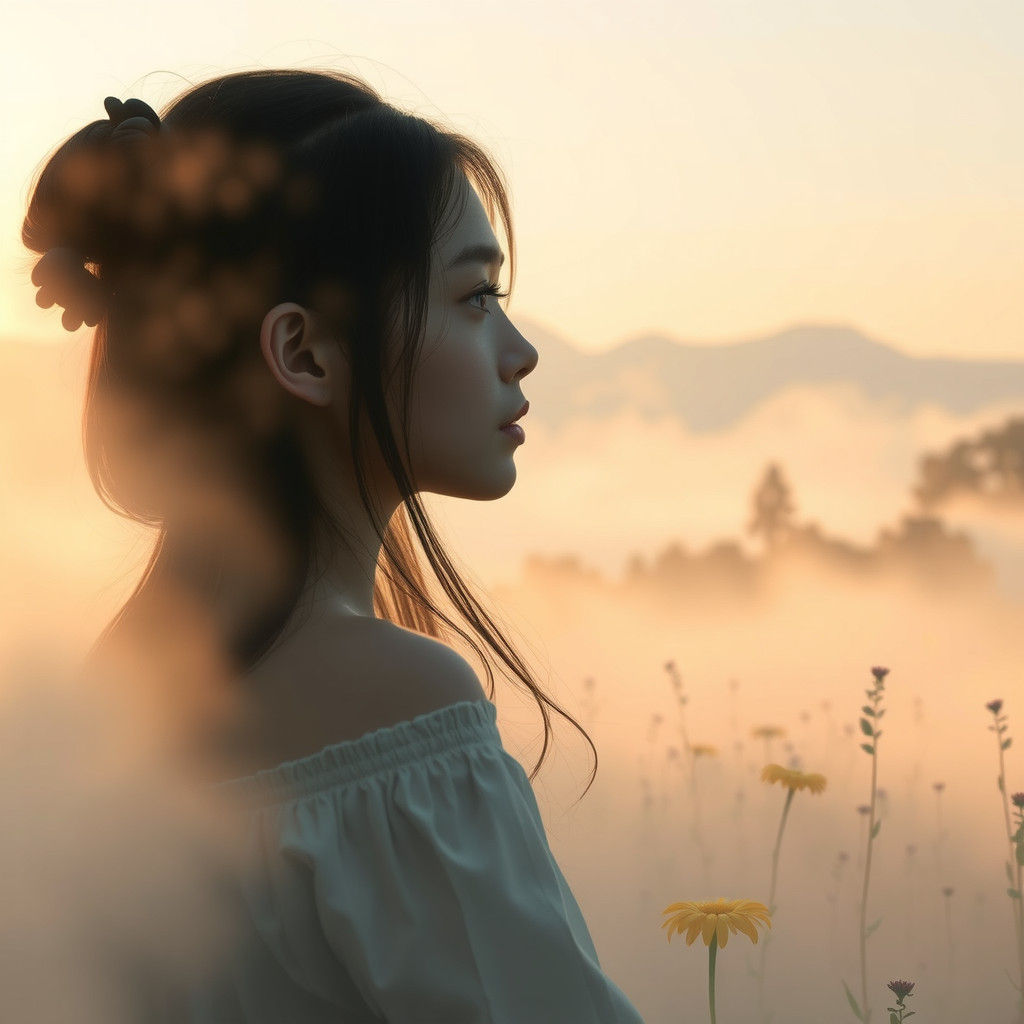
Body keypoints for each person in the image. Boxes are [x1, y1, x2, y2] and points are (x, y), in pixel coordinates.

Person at [22, 68, 646, 1022]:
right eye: (475, 296)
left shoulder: (99, 701)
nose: (519, 351)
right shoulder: (399, 703)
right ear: (304, 354)